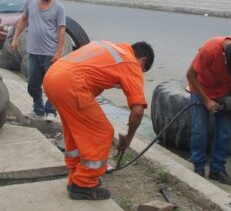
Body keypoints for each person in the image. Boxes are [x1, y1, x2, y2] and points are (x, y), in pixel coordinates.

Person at [43, 40, 154, 200]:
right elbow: (137, 111)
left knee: (75, 129)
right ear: (142, 61)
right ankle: (84, 184)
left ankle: (75, 177)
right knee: (102, 132)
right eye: (142, 70)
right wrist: (129, 138)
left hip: (52, 77)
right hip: (70, 83)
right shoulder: (130, 63)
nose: (139, 72)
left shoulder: (109, 47)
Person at [187, 36, 231, 185]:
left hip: (224, 91)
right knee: (199, 131)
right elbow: (190, 75)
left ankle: (217, 170)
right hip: (202, 89)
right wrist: (206, 101)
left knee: (225, 131)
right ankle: (199, 168)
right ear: (224, 56)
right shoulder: (209, 50)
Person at [11, 0, 66, 117]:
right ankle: (38, 106)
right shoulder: (30, 1)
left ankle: (50, 110)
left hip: (51, 54)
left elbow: (61, 30)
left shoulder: (59, 7)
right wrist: (15, 38)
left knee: (53, 85)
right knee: (33, 86)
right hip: (34, 52)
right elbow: (23, 19)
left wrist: (58, 52)